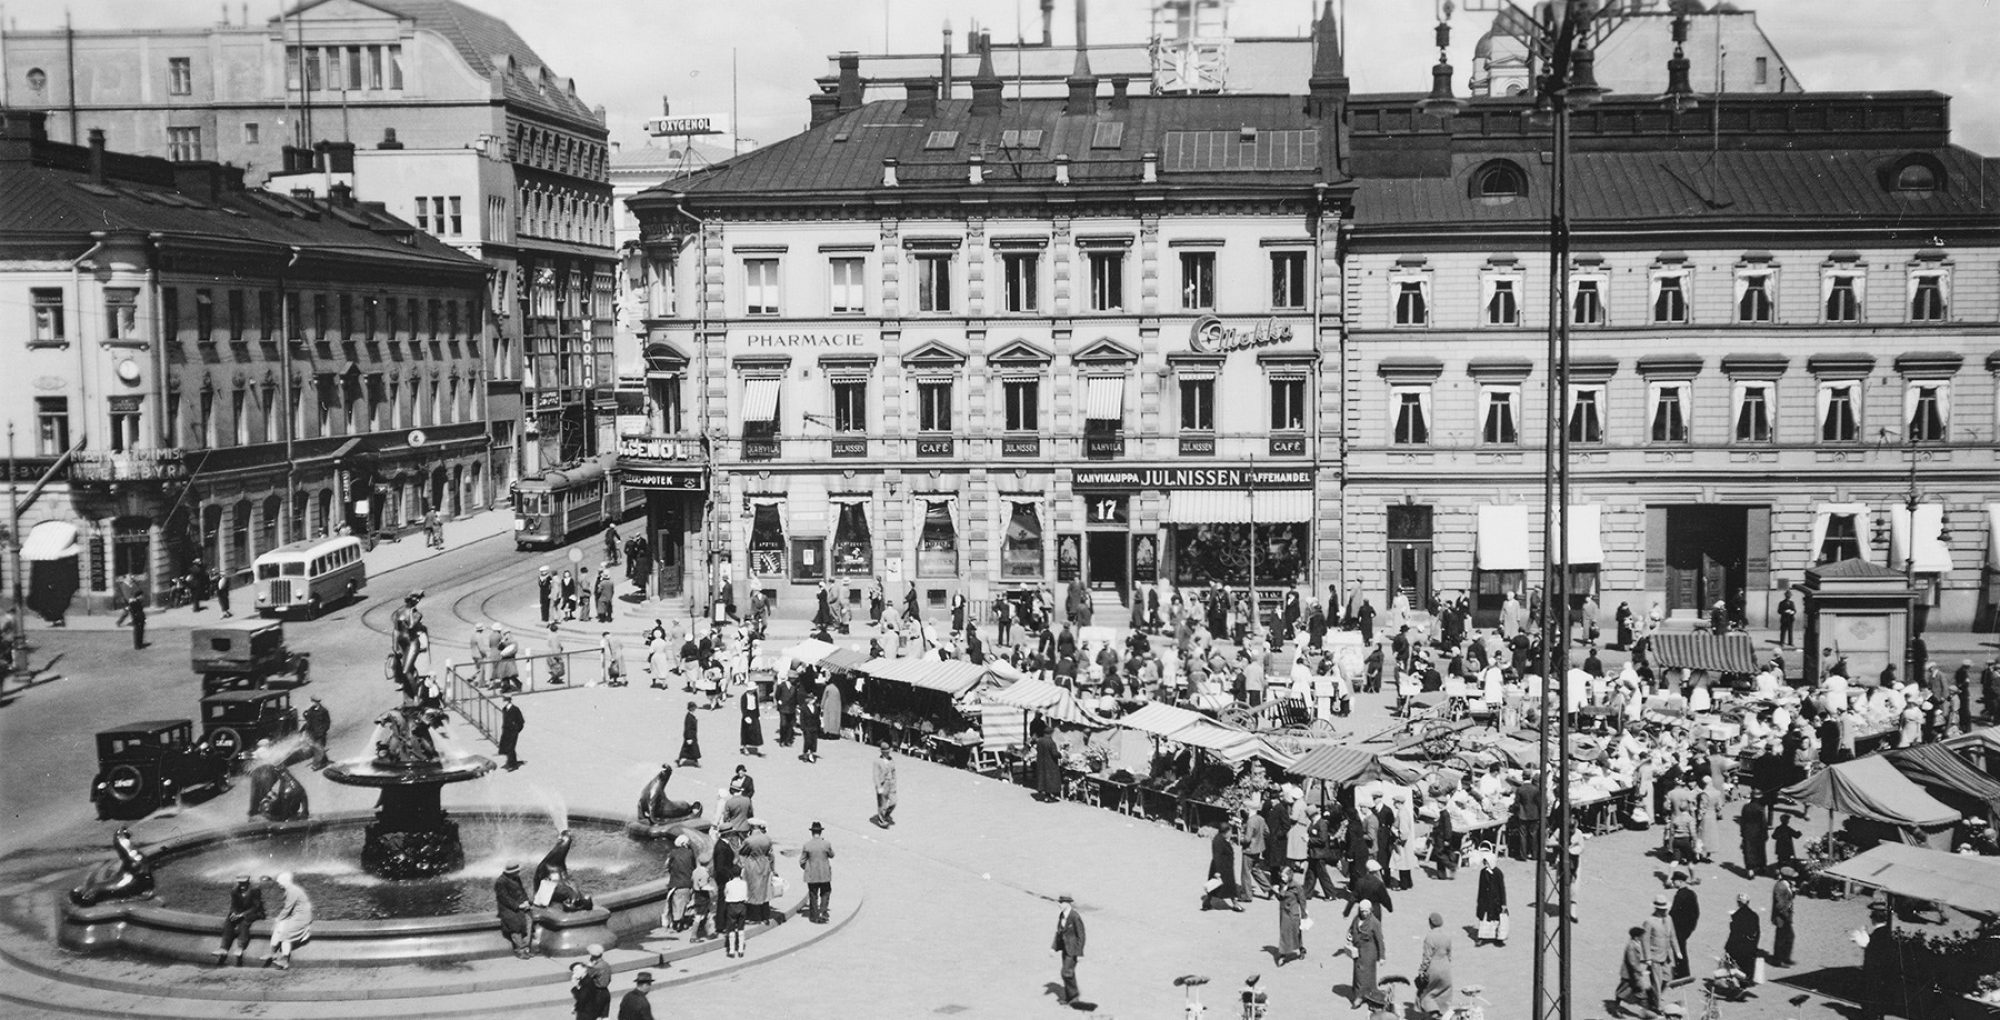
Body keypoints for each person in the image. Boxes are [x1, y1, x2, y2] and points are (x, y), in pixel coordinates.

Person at [261, 873, 313, 969]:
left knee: (285, 933)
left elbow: (287, 909)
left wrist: (278, 918)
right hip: (295, 916)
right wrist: (280, 920)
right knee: (279, 928)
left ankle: (285, 960)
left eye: (280, 883)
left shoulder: (292, 891)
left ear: (285, 882)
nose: (279, 885)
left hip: (302, 918)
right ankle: (272, 953)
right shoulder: (290, 890)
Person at [211, 875, 265, 964]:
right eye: (240, 883)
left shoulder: (254, 890)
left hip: (254, 913)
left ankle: (240, 947)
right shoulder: (234, 891)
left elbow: (256, 907)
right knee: (229, 920)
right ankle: (223, 948)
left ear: (248, 882)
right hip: (240, 912)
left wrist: (242, 915)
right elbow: (233, 905)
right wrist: (233, 913)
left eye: (244, 883)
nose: (242, 885)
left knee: (244, 923)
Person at [1347, 899, 1386, 1009]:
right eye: (1362, 911)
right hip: (1357, 951)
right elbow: (1351, 930)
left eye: (1366, 911)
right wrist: (1349, 937)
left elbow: (1380, 940)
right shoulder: (1356, 919)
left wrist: (1382, 956)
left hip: (1369, 953)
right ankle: (1364, 995)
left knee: (1366, 976)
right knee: (1358, 975)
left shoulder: (1374, 923)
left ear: (1370, 910)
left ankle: (1360, 997)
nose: (1364, 913)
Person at [1416, 912, 1455, 1019]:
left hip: (1433, 969)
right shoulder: (1447, 936)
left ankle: (1433, 1014)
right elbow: (1449, 955)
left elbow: (1427, 958)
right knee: (1443, 992)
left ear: (1430, 923)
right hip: (1445, 967)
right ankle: (1442, 1013)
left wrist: (1421, 970)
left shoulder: (1429, 937)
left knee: (1427, 994)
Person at [1615, 925, 1659, 1018]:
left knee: (1638, 993)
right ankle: (1617, 1009)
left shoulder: (1635, 944)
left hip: (1633, 974)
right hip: (1629, 974)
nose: (1643, 938)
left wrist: (1645, 961)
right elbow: (1632, 962)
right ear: (1636, 937)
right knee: (1622, 992)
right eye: (1641, 936)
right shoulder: (1631, 946)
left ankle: (1645, 1013)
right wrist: (1641, 971)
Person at [1051, 893, 1086, 1007]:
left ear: (1067, 903)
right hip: (1065, 949)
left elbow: (1081, 935)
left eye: (1061, 902)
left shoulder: (1074, 916)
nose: (1059, 904)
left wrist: (1079, 953)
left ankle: (1074, 996)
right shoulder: (1062, 915)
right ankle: (1068, 997)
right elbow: (1059, 932)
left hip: (1073, 950)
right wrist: (1053, 948)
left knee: (1066, 972)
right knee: (1069, 973)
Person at [495, 862, 535, 959]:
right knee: (515, 923)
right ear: (511, 872)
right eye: (517, 871)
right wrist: (518, 906)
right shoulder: (500, 882)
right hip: (508, 908)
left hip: (521, 905)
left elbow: (522, 891)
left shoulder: (516, 878)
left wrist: (526, 901)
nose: (519, 872)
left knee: (529, 919)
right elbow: (504, 898)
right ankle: (520, 950)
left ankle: (526, 948)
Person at [1642, 895, 1680, 995]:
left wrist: (1677, 951)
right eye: (1662, 909)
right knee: (1656, 982)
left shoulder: (1669, 919)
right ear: (1657, 909)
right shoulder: (1649, 921)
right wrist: (1647, 958)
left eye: (1665, 909)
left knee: (1667, 978)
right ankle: (1657, 1005)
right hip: (1655, 956)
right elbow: (1645, 940)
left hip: (1667, 956)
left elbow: (1673, 936)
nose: (1665, 911)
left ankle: (1653, 995)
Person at [740, 819, 774, 925]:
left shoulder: (749, 840)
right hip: (765, 864)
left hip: (753, 865)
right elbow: (770, 853)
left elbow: (742, 852)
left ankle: (755, 917)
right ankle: (765, 915)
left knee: (753, 890)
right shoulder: (767, 839)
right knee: (764, 890)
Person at [800, 821, 835, 923]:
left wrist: (807, 868)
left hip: (812, 875)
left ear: (812, 832)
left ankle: (814, 916)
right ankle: (823, 912)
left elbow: (802, 861)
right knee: (825, 892)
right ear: (820, 832)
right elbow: (832, 855)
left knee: (813, 895)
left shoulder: (807, 845)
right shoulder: (826, 844)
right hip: (824, 874)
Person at [1205, 820, 1244, 911]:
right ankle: (1235, 904)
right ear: (1225, 832)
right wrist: (1218, 871)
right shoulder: (1218, 841)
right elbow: (1217, 856)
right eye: (1230, 831)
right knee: (1229, 887)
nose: (1231, 833)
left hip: (1224, 867)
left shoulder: (1220, 838)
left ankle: (1207, 902)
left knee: (1215, 887)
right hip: (1222, 868)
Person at [1723, 893, 1760, 986]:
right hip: (1750, 947)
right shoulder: (1754, 916)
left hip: (1738, 947)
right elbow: (1757, 933)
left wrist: (1728, 947)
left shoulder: (1737, 916)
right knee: (1746, 968)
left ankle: (1738, 986)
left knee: (1736, 967)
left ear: (1738, 903)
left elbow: (1734, 934)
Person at [1668, 871, 1700, 980]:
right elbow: (1696, 913)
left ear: (1680, 881)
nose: (1673, 882)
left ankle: (1682, 973)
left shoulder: (1680, 895)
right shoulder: (1691, 893)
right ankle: (1683, 971)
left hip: (1678, 928)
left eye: (1674, 880)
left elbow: (1674, 912)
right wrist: (1691, 927)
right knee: (1681, 948)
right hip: (1687, 928)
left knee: (1678, 949)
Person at [1274, 866, 1307, 966]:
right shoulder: (1282, 884)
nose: (1281, 878)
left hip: (1293, 913)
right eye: (1281, 875)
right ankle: (1283, 953)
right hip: (1284, 912)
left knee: (1296, 932)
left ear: (1289, 876)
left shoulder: (1296, 886)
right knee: (1284, 933)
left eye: (1283, 876)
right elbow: (1280, 897)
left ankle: (1301, 949)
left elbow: (1302, 900)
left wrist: (1304, 914)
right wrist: (1277, 891)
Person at [1474, 853, 1508, 946]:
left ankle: (1498, 938)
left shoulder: (1498, 873)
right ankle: (1482, 937)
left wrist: (1503, 903)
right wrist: (1479, 901)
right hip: (1485, 900)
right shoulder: (1483, 872)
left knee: (1497, 920)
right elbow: (1480, 887)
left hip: (1495, 901)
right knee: (1484, 920)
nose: (1485, 864)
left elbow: (1502, 888)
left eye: (1487, 861)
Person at [1769, 866, 1797, 967]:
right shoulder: (1780, 887)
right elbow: (1780, 904)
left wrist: (1793, 892)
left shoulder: (1787, 885)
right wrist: (1786, 914)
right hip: (1782, 917)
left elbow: (1789, 898)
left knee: (1789, 937)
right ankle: (1778, 960)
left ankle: (1785, 958)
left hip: (1786, 916)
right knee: (1781, 939)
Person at [1738, 798, 1769, 876]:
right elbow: (1763, 822)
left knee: (1748, 850)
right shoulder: (1760, 808)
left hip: (1748, 831)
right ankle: (1761, 866)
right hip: (1758, 832)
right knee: (1760, 850)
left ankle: (1750, 869)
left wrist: (1742, 832)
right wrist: (1765, 833)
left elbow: (1742, 820)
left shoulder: (1746, 807)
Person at [1033, 724, 1063, 802]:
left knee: (1044, 778)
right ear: (1051, 733)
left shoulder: (1040, 741)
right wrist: (1060, 754)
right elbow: (1055, 754)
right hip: (1050, 763)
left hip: (1041, 763)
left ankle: (1046, 795)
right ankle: (1049, 796)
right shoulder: (1051, 742)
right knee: (1051, 779)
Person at [871, 745, 898, 828]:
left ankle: (886, 815)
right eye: (886, 752)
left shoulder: (891, 760)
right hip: (883, 784)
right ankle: (882, 820)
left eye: (888, 752)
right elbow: (875, 775)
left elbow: (893, 772)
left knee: (893, 802)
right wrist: (878, 786)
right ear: (882, 752)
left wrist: (894, 783)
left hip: (891, 784)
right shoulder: (877, 761)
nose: (887, 753)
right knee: (882, 804)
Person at [302, 696, 331, 770]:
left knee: (318, 749)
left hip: (320, 734)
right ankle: (324, 760)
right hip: (312, 733)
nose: (313, 703)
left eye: (314, 702)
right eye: (312, 701)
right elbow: (308, 720)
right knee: (317, 748)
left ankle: (316, 765)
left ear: (318, 702)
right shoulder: (311, 710)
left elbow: (327, 722)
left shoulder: (323, 711)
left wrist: (323, 731)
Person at [498, 696, 524, 771]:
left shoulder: (515, 709)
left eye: (505, 700)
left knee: (511, 747)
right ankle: (511, 761)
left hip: (513, 731)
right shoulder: (504, 709)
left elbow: (521, 721)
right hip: (506, 730)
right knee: (506, 746)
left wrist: (517, 729)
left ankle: (513, 765)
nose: (504, 702)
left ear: (509, 701)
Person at [739, 685, 764, 756]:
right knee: (746, 732)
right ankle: (745, 747)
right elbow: (743, 707)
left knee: (757, 731)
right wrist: (746, 716)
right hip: (747, 714)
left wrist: (758, 715)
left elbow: (757, 705)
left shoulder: (755, 695)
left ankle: (759, 748)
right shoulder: (744, 696)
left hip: (754, 714)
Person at [677, 702, 702, 767]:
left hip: (692, 736)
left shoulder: (690, 715)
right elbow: (688, 728)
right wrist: (689, 738)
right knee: (693, 749)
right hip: (690, 736)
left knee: (687, 749)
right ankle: (695, 762)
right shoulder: (689, 717)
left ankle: (681, 760)